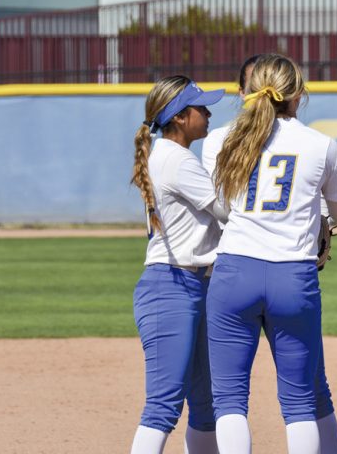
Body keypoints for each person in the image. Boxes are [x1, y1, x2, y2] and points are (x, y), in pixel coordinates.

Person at [206, 53, 337, 454]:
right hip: (293, 277)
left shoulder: (221, 139)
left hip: (234, 272)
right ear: (298, 95)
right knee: (300, 403)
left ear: (250, 92)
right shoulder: (320, 145)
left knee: (229, 400)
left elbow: (223, 209)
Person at [129, 76, 229, 454]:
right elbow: (227, 211)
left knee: (206, 405)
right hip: (171, 286)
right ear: (180, 117)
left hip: (194, 285)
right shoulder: (177, 159)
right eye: (200, 107)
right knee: (163, 406)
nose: (208, 113)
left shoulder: (168, 155)